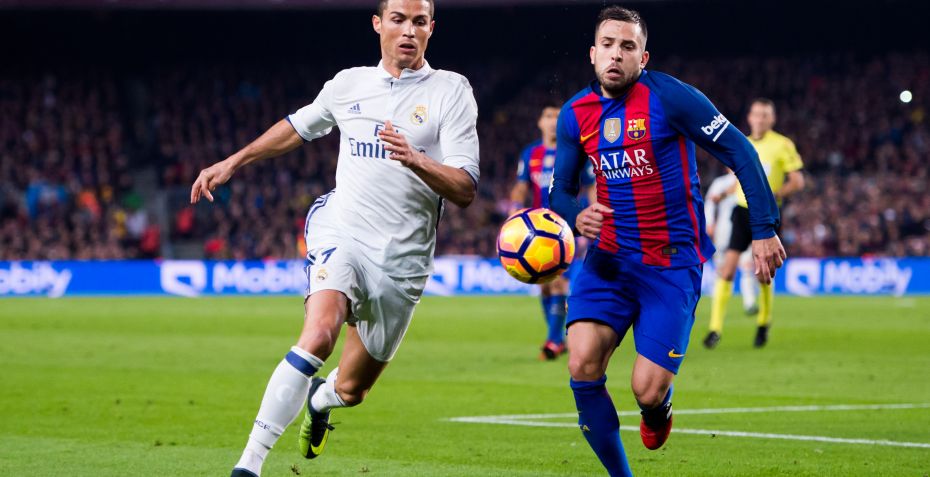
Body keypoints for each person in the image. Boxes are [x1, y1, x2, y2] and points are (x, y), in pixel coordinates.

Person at [190, 1, 479, 475]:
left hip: (403, 261)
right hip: (343, 231)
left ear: (432, 28)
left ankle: (320, 401)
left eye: (419, 21)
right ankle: (249, 463)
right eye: (398, 19)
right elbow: (297, 128)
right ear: (378, 24)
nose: (408, 30)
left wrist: (417, 159)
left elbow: (465, 188)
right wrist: (233, 161)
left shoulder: (451, 91)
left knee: (352, 389)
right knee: (320, 334)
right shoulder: (348, 85)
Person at [548, 6, 784, 476]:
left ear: (643, 57)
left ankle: (658, 409)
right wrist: (577, 216)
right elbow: (561, 191)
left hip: (670, 264)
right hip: (609, 261)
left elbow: (740, 150)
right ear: (593, 53)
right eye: (608, 45)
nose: (616, 54)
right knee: (582, 363)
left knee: (647, 390)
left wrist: (763, 228)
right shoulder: (575, 114)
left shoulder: (671, 98)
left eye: (628, 46)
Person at [704, 98, 804, 349]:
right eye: (756, 114)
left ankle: (763, 322)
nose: (760, 119)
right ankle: (715, 329)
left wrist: (773, 194)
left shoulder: (782, 145)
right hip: (741, 211)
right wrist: (725, 194)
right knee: (727, 270)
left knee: (763, 273)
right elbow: (740, 179)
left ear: (772, 119)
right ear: (750, 117)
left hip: (767, 213)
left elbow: (797, 181)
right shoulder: (743, 143)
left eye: (765, 115)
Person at [509, 105, 595, 360]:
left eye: (557, 116)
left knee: (558, 281)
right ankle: (558, 337)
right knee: (544, 286)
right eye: (548, 116)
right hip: (537, 228)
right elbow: (521, 186)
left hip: (565, 226)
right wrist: (514, 209)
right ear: (540, 122)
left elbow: (591, 186)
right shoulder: (531, 153)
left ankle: (554, 341)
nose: (552, 121)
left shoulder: (576, 151)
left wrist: (592, 214)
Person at [704, 169, 758, 316]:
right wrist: (709, 223)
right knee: (722, 267)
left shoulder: (747, 179)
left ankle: (749, 302)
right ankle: (717, 300)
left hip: (742, 228)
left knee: (747, 265)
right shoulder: (720, 182)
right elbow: (710, 202)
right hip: (724, 229)